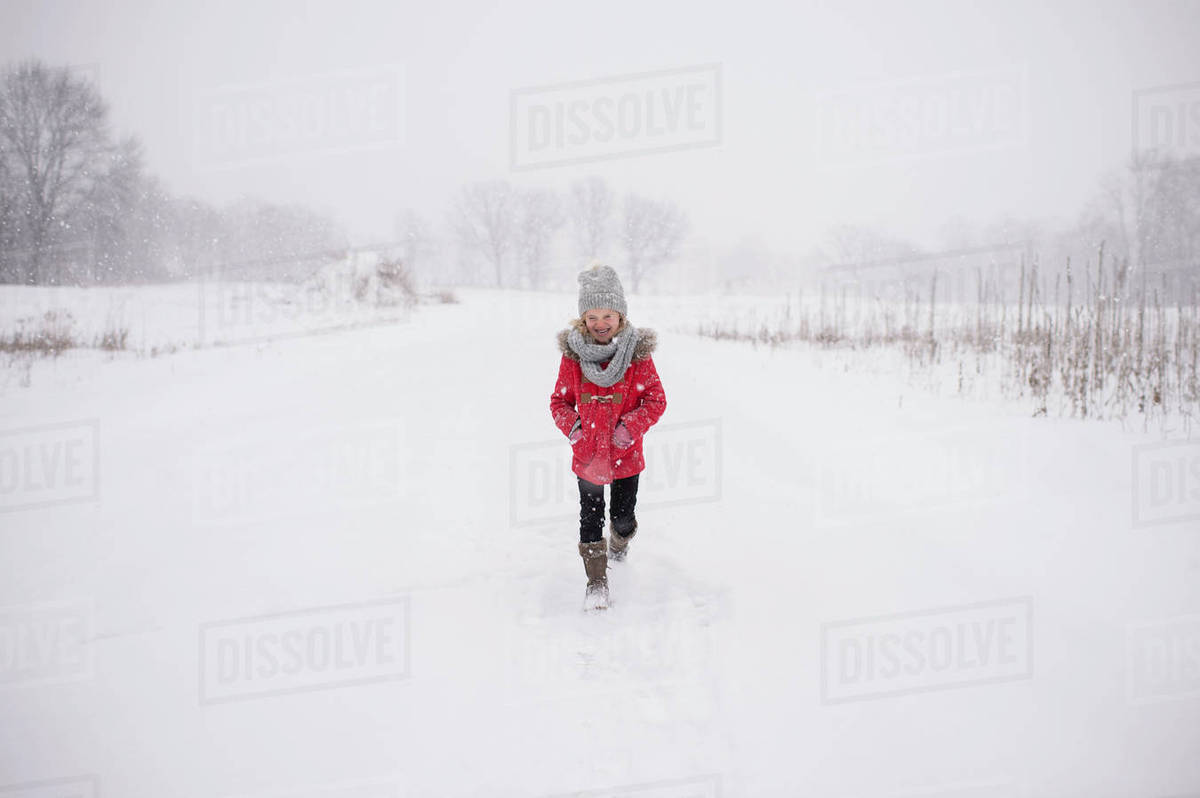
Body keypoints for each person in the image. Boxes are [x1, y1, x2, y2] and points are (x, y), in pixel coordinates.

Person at [548, 263, 668, 611]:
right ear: (582, 320)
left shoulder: (637, 356)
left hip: (626, 455)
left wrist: (629, 428)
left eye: (608, 316)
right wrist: (575, 430)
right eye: (592, 316)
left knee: (623, 517)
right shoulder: (573, 358)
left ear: (621, 316)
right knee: (590, 517)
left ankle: (620, 541)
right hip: (587, 456)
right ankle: (596, 581)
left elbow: (656, 399)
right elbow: (559, 401)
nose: (600, 324)